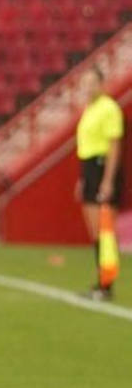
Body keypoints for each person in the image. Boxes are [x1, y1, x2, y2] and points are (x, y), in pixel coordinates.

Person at [74, 66, 122, 300]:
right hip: (89, 168)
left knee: (104, 231)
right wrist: (83, 177)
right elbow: (86, 146)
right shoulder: (89, 109)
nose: (88, 87)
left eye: (92, 82)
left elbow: (114, 145)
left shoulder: (109, 108)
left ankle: (106, 284)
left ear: (102, 84)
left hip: (103, 167)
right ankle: (101, 281)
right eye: (86, 83)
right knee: (95, 231)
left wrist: (108, 180)